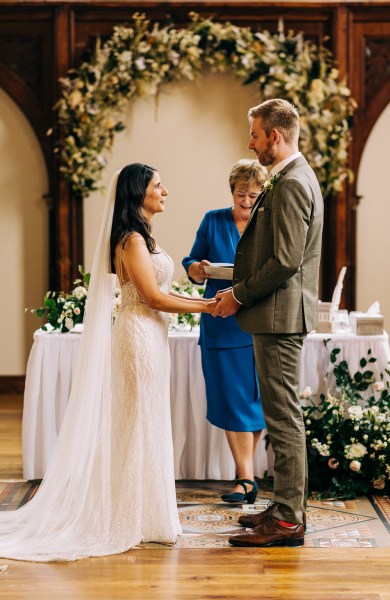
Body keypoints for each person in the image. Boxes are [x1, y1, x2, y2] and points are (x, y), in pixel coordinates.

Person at [0, 163, 217, 562]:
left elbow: (157, 293)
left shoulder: (141, 236)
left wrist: (201, 304)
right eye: (157, 185)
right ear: (139, 193)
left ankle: (145, 515)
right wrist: (207, 306)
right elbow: (152, 297)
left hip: (151, 335)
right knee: (135, 422)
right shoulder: (132, 239)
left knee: (145, 420)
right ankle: (124, 516)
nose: (165, 190)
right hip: (138, 335)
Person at [212, 99, 324, 548]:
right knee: (279, 417)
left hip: (279, 316)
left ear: (275, 136)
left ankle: (289, 520)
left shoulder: (293, 182)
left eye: (255, 135)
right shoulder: (288, 178)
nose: (251, 143)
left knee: (283, 418)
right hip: (275, 313)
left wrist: (238, 295)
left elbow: (284, 261)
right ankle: (281, 508)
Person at [182, 159, 267, 504]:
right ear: (231, 192)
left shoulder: (269, 222)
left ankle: (244, 477)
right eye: (241, 194)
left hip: (259, 322)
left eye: (253, 195)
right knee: (231, 401)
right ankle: (246, 477)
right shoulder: (212, 220)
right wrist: (198, 270)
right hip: (219, 322)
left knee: (253, 402)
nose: (246, 201)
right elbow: (190, 262)